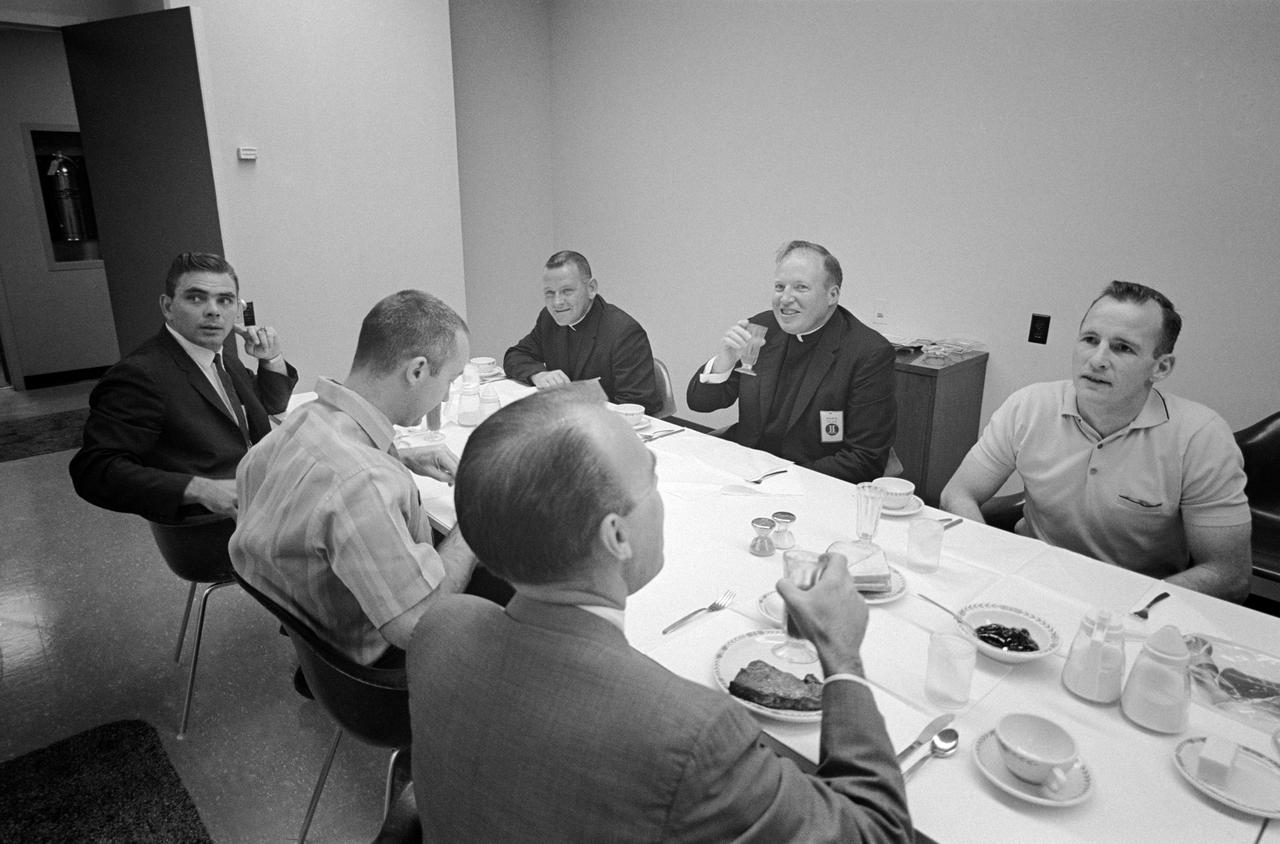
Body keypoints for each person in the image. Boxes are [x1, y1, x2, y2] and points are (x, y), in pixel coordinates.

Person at [406, 389, 912, 842]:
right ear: (618, 537)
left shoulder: (442, 628)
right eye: (652, 480)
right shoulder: (689, 734)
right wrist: (843, 656)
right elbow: (878, 832)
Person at [941, 281, 1251, 601]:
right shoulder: (1028, 406)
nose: (1098, 359)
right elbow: (959, 493)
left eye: (1122, 348)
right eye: (1090, 340)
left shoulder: (1201, 437)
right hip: (1029, 582)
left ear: (1161, 367)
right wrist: (989, 560)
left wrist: (1126, 604)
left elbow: (1229, 574)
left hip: (1135, 604)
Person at [230, 290, 484, 667]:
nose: (446, 395)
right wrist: (474, 520)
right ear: (416, 371)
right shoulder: (363, 484)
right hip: (378, 674)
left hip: (324, 629)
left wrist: (399, 457)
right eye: (449, 379)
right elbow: (418, 626)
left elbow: (335, 471)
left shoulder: (299, 423)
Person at [69, 252, 297, 523]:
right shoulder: (140, 375)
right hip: (214, 524)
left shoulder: (222, 358)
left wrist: (271, 358)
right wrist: (199, 488)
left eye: (224, 300)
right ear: (168, 307)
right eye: (196, 298)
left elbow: (272, 405)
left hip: (262, 501)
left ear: (237, 309)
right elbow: (94, 470)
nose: (213, 310)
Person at [686, 240, 897, 483]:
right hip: (746, 470)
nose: (785, 299)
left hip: (811, 482)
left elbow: (865, 460)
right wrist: (725, 360)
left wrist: (783, 479)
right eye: (779, 287)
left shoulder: (868, 353)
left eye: (801, 288)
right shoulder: (761, 328)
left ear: (832, 295)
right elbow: (700, 403)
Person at [504, 250, 662, 415]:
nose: (557, 302)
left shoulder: (624, 333)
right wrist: (538, 374)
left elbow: (636, 407)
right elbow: (515, 355)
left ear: (591, 288)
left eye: (567, 291)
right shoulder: (549, 318)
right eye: (549, 293)